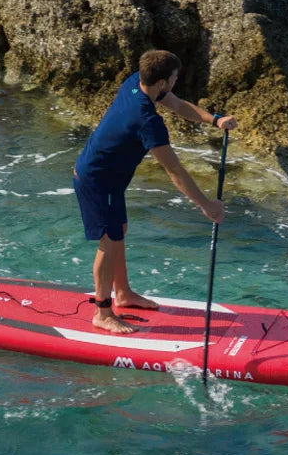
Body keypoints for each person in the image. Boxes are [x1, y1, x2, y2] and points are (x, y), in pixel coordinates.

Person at [73, 50, 238, 334]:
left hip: (109, 179)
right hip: (97, 181)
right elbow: (175, 172)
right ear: (162, 82)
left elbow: (177, 104)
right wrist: (206, 206)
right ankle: (102, 312)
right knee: (108, 242)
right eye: (174, 77)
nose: (176, 82)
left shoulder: (137, 82)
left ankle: (122, 293)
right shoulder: (147, 122)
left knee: (118, 230)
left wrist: (215, 119)